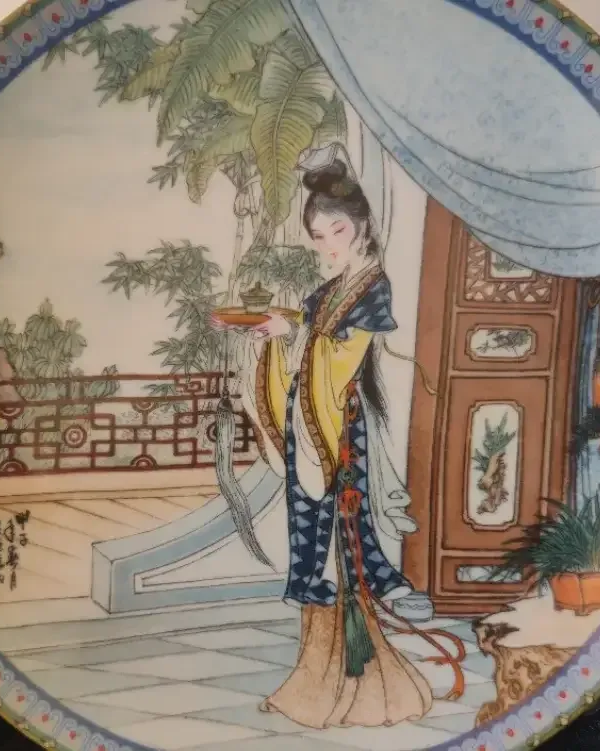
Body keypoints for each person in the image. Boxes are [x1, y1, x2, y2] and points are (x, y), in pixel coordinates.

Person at [215, 155, 433, 729]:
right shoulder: (327, 291)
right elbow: (306, 331)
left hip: (339, 429)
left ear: (362, 227)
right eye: (318, 235)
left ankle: (358, 686)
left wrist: (296, 332)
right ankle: (312, 684)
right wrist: (271, 330)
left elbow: (341, 354)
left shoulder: (373, 288)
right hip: (308, 423)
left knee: (345, 543)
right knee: (313, 538)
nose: (329, 244)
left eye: (338, 230)